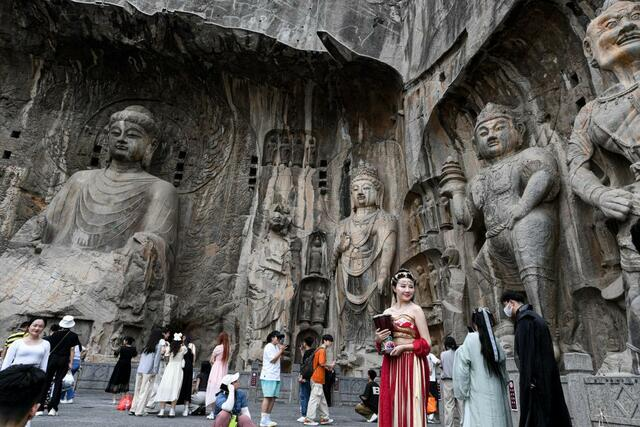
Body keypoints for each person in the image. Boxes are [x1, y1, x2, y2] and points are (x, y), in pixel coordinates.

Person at [501, 291, 572, 426]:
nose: (506, 310)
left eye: (506, 305)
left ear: (511, 303)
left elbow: (527, 355)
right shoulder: (536, 318)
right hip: (548, 378)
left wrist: (529, 380)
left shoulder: (524, 322)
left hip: (536, 384)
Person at [375, 268, 431, 427]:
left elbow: (427, 343)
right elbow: (385, 346)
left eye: (411, 286)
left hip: (412, 363)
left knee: (412, 404)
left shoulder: (416, 310)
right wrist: (379, 340)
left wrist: (404, 347)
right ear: (394, 288)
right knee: (392, 403)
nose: (408, 290)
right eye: (403, 286)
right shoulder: (387, 312)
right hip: (392, 364)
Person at [453, 308, 512, 427]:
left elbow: (461, 372)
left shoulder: (470, 341)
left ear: (475, 324)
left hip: (477, 394)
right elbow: (504, 373)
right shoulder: (495, 342)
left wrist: (463, 392)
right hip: (498, 394)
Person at [39, 315, 82, 416]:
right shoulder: (73, 335)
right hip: (63, 360)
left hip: (52, 359)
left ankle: (40, 408)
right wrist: (70, 362)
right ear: (71, 325)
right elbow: (72, 349)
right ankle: (53, 408)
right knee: (58, 383)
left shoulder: (54, 334)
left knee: (46, 382)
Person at [130, 328, 163, 416]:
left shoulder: (147, 346)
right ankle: (139, 411)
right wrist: (155, 371)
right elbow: (156, 360)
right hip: (149, 370)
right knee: (145, 391)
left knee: (137, 390)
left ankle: (133, 408)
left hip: (140, 369)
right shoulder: (158, 346)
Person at [303, 334, 335, 426]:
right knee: (314, 399)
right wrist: (330, 366)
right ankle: (309, 419)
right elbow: (322, 363)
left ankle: (325, 418)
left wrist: (328, 368)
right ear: (325, 341)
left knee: (321, 400)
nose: (330, 343)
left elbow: (320, 364)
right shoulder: (322, 350)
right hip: (317, 377)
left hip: (316, 377)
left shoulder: (318, 349)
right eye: (329, 341)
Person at [156, 333, 187, 418]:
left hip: (169, 368)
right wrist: (182, 342)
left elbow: (166, 358)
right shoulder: (183, 348)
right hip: (178, 370)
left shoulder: (169, 348)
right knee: (175, 389)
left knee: (165, 387)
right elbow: (184, 352)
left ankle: (162, 411)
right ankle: (172, 411)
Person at [259, 330, 287, 427]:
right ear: (272, 338)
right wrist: (281, 351)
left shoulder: (276, 347)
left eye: (280, 338)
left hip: (275, 375)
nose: (279, 339)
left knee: (273, 398)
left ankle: (267, 418)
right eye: (278, 337)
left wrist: (281, 351)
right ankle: (263, 419)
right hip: (268, 375)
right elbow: (273, 360)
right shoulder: (269, 346)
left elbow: (279, 359)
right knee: (267, 397)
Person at [206, 331, 231, 419]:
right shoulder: (228, 348)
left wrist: (214, 363)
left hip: (216, 369)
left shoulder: (218, 347)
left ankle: (213, 412)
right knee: (221, 390)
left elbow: (211, 360)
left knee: (213, 389)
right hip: (224, 370)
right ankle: (219, 412)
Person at [105, 336, 137, 404]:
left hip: (120, 365)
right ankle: (125, 399)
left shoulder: (122, 348)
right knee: (125, 381)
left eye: (124, 340)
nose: (123, 341)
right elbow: (134, 355)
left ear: (126, 341)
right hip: (128, 366)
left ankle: (114, 399)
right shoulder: (133, 349)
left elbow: (115, 355)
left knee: (116, 380)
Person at [145, 327, 171, 411]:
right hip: (160, 365)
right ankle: (150, 404)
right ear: (163, 333)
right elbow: (163, 352)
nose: (169, 335)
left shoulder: (153, 341)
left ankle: (147, 403)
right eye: (168, 333)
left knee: (151, 384)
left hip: (152, 364)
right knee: (157, 384)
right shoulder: (163, 342)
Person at [440, 337, 463, 427]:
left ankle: (449, 425)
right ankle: (464, 424)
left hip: (447, 382)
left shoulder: (443, 354)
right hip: (459, 381)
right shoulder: (459, 353)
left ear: (446, 345)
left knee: (449, 407)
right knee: (461, 405)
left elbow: (442, 367)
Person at [297, 336, 315, 423]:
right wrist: (301, 351)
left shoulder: (308, 353)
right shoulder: (313, 352)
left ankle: (304, 415)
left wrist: (302, 377)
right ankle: (308, 414)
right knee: (308, 396)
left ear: (305, 343)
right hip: (311, 377)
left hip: (306, 377)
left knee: (304, 396)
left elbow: (305, 366)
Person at [177, 335, 196, 416]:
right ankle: (186, 408)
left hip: (183, 367)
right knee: (186, 386)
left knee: (184, 386)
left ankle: (185, 408)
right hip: (187, 367)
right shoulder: (190, 346)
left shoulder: (188, 345)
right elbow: (194, 357)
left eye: (183, 337)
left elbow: (193, 357)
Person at [427, 349, 441, 422]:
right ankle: (431, 416)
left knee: (426, 397)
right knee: (433, 398)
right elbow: (438, 361)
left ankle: (427, 415)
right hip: (431, 380)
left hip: (423, 380)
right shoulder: (430, 355)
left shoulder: (421, 356)